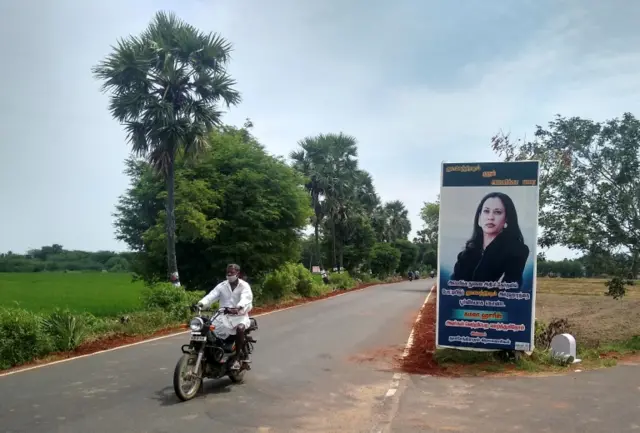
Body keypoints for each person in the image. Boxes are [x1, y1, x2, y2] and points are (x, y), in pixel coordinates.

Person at [451, 192, 529, 285]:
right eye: (486, 211)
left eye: (497, 212)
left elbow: (510, 288)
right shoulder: (465, 255)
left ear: (506, 219)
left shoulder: (517, 250)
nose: (490, 217)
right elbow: (452, 286)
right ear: (479, 217)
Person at [193, 264, 253, 370]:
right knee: (206, 329)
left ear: (238, 273)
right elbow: (211, 296)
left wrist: (238, 307)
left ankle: (237, 358)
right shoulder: (222, 286)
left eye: (232, 273)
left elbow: (246, 298)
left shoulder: (244, 286)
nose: (229, 275)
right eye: (228, 273)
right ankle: (214, 352)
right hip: (222, 316)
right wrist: (200, 304)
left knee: (240, 329)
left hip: (239, 316)